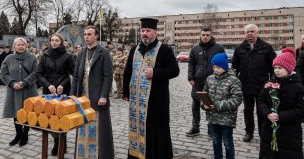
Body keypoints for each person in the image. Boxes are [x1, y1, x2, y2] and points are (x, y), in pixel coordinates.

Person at [123, 18, 180, 159]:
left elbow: (175, 70)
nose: (144, 34)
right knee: (138, 127)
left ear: (155, 32)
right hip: (137, 101)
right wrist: (125, 92)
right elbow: (127, 71)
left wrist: (156, 73)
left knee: (155, 130)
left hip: (157, 101)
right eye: (142, 31)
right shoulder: (134, 50)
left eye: (148, 31)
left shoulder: (164, 50)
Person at [70, 26, 114, 159]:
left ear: (96, 36)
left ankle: (100, 155)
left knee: (99, 127)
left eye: (89, 34)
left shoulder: (104, 52)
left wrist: (104, 95)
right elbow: (76, 75)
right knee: (83, 124)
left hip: (97, 96)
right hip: (83, 96)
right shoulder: (81, 52)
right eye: (85, 34)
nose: (86, 37)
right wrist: (73, 95)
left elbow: (108, 76)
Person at [258, 47, 304, 159]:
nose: (276, 70)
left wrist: (280, 116)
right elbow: (261, 100)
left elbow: (301, 110)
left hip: (289, 133)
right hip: (269, 130)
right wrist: (267, 113)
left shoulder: (298, 87)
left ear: (289, 68)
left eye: (280, 68)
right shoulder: (270, 84)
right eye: (275, 67)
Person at [232, 24, 276, 142]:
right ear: (245, 33)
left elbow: (274, 68)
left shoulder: (266, 47)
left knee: (262, 110)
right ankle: (249, 132)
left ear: (257, 33)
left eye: (252, 31)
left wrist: (272, 82)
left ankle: (263, 133)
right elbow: (234, 68)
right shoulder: (239, 48)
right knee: (247, 110)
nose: (249, 34)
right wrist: (234, 83)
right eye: (247, 32)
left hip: (262, 86)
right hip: (245, 85)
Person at [37, 33, 75, 156]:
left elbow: (72, 73)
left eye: (57, 40)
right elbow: (39, 74)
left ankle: (62, 142)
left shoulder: (68, 56)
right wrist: (48, 85)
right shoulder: (44, 55)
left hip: (63, 89)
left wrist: (62, 85)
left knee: (62, 115)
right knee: (51, 115)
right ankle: (56, 141)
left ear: (61, 42)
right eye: (52, 40)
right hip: (49, 89)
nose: (54, 42)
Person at [202, 53, 242, 159]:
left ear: (224, 66)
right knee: (215, 141)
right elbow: (204, 93)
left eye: (218, 67)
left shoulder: (234, 80)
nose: (215, 69)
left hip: (227, 119)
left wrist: (215, 105)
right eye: (214, 67)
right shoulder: (209, 79)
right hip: (213, 118)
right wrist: (204, 104)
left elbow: (236, 100)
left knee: (228, 143)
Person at [0, 38, 38, 147]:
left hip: (28, 90)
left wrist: (25, 82)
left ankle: (25, 133)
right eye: (18, 45)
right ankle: (18, 134)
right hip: (13, 90)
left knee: (27, 111)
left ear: (26, 46)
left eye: (23, 44)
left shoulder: (32, 58)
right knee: (16, 112)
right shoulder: (8, 58)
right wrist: (12, 83)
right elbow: (3, 73)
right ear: (14, 46)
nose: (20, 46)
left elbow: (36, 72)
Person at [187, 27, 224, 137]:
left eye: (207, 35)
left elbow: (223, 64)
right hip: (198, 82)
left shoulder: (219, 48)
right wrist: (190, 77)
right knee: (195, 104)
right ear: (200, 35)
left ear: (211, 35)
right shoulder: (195, 49)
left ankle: (210, 128)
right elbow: (191, 64)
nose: (205, 37)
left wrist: (221, 78)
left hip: (213, 82)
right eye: (203, 35)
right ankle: (195, 127)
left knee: (209, 104)